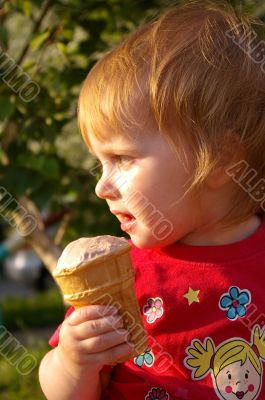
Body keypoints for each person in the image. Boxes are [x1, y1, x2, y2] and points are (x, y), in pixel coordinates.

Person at [39, 1, 265, 399]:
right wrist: (73, 361)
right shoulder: (121, 275)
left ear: (220, 159)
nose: (101, 186)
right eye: (100, 163)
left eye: (122, 158)